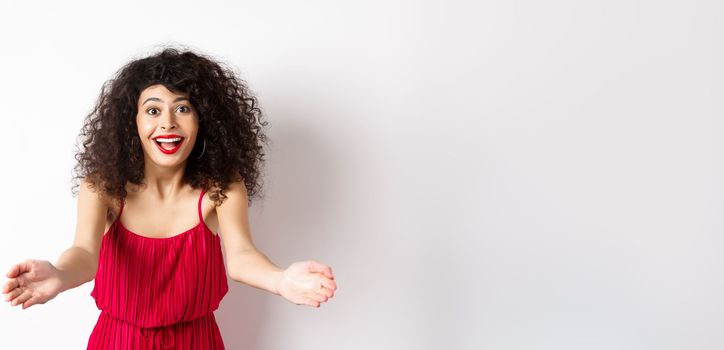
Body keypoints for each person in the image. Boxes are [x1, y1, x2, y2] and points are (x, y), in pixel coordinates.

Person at [1, 46, 337, 349]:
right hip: (117, 341)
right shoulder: (102, 187)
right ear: (131, 122)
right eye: (152, 110)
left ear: (202, 120)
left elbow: (242, 257)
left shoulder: (222, 189)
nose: (168, 124)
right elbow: (84, 254)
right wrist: (59, 274)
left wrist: (281, 280)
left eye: (183, 108)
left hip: (197, 342)